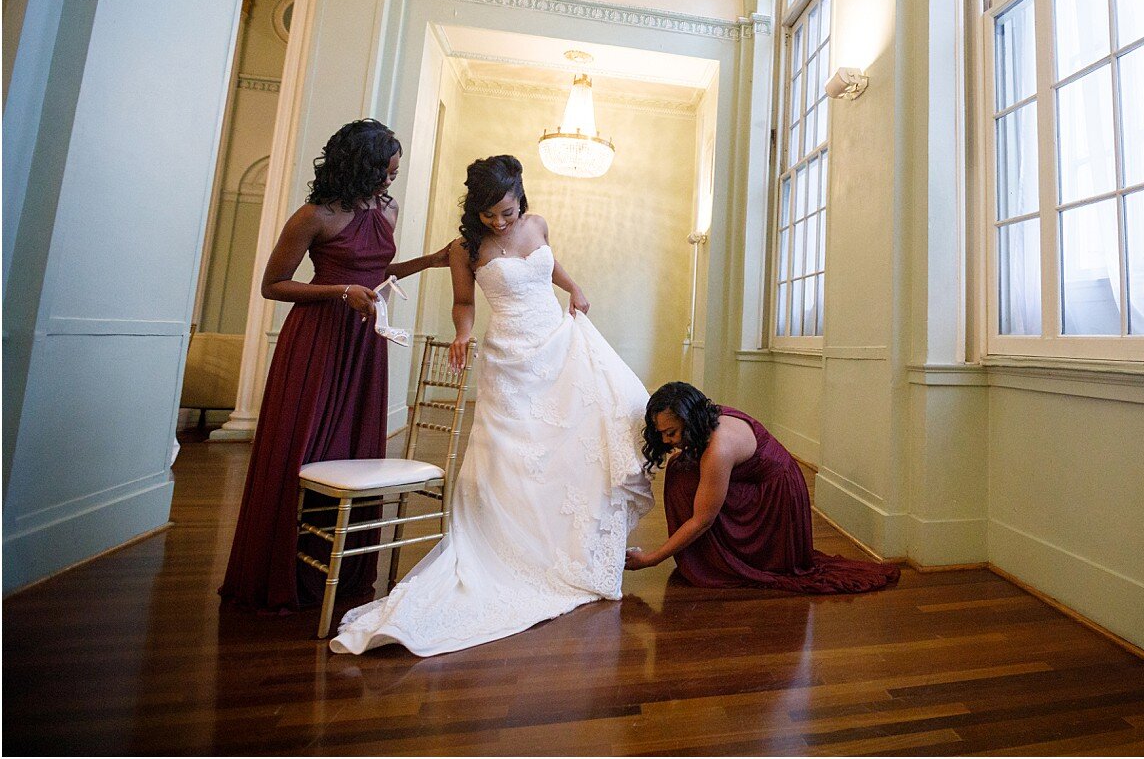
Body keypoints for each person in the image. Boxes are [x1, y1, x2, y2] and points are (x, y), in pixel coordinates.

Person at [331, 155, 653, 656]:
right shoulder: (466, 248)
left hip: (556, 342)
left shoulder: (538, 223)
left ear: (520, 197)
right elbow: (465, 303)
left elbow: (549, 262)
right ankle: (514, 547)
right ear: (475, 211)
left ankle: (574, 545)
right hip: (509, 356)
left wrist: (575, 287)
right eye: (490, 215)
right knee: (517, 454)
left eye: (506, 212)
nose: (500, 223)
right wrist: (462, 334)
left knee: (601, 417)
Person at [220, 119, 449, 613]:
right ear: (359, 167)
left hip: (365, 344)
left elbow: (376, 271)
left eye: (395, 173)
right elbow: (274, 284)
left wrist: (428, 261)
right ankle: (284, 573)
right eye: (385, 172)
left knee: (353, 450)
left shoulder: (384, 209)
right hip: (317, 344)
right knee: (306, 448)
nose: (391, 182)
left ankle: (341, 572)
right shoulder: (313, 215)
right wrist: (340, 293)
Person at [625, 382, 900, 593]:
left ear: (690, 420)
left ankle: (717, 563)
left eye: (671, 432)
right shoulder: (706, 418)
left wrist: (651, 559)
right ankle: (703, 557)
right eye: (661, 433)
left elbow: (702, 520)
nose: (666, 439)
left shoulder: (719, 449)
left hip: (778, 503)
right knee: (681, 469)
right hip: (762, 485)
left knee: (684, 478)